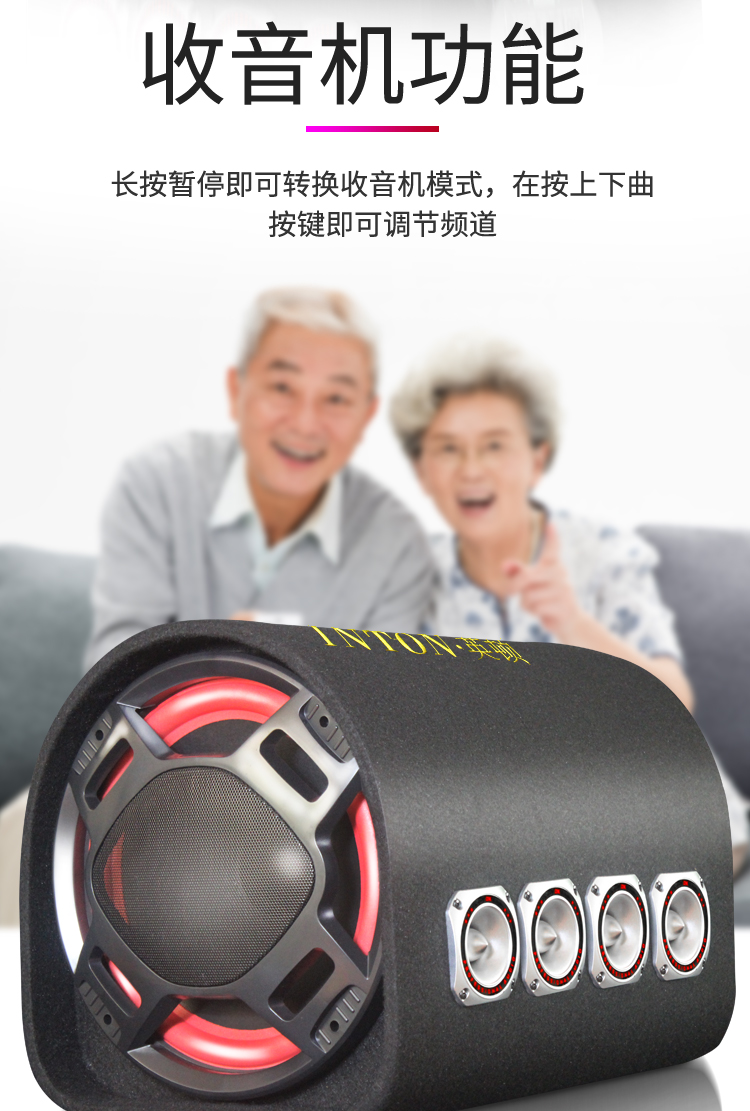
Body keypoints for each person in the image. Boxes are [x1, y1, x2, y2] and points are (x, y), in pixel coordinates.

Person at [390, 338, 749, 873]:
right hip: (517, 834)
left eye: (494, 446)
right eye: (447, 448)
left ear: (537, 459)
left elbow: (675, 698)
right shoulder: (411, 576)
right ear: (422, 471)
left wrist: (571, 622)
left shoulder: (603, 552)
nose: (471, 469)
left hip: (662, 814)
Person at [84, 288, 435, 669]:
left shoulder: (398, 545)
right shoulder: (157, 485)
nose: (305, 424)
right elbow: (111, 674)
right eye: (282, 388)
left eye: (336, 399)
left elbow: (383, 694)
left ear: (366, 416)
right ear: (236, 390)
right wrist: (233, 659)